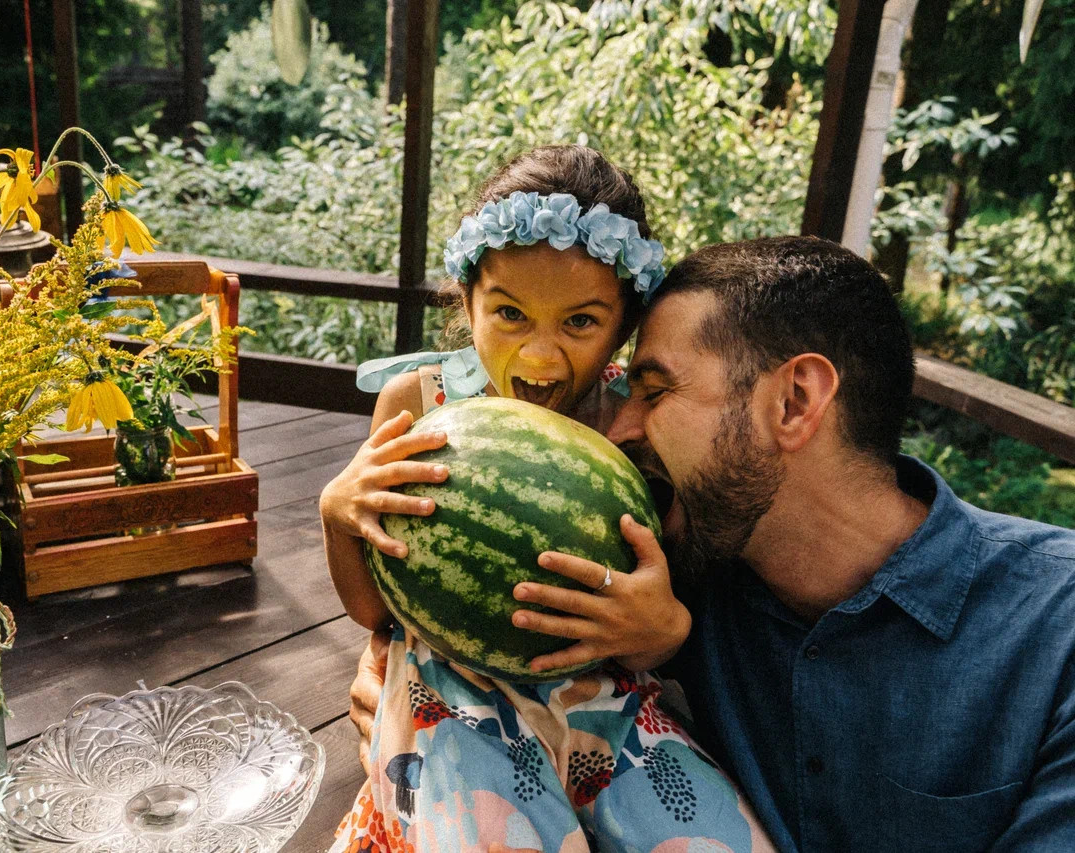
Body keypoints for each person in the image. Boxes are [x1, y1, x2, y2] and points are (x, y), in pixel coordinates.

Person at [353, 235, 1075, 852]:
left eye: (654, 389)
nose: (623, 428)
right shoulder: (676, 576)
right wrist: (414, 686)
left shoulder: (1056, 633)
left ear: (793, 402)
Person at [320, 146, 773, 852]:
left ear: (624, 324)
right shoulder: (415, 404)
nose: (538, 355)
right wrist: (336, 512)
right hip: (449, 693)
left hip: (603, 697)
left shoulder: (636, 422)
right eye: (508, 313)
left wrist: (666, 627)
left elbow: (663, 614)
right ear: (466, 299)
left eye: (580, 323)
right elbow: (377, 607)